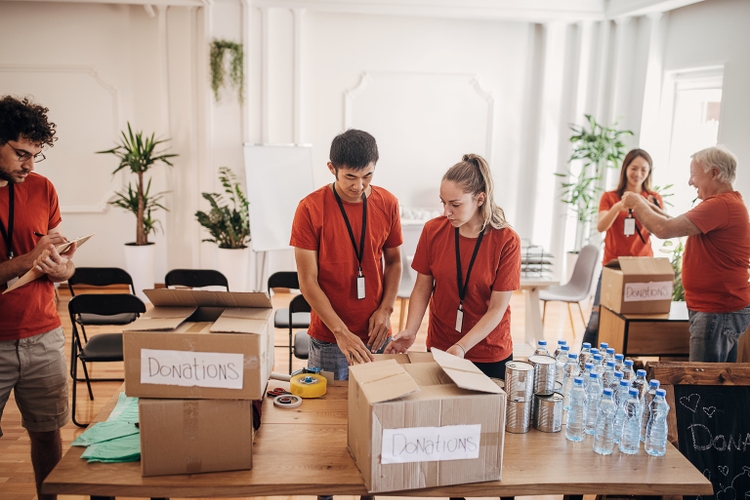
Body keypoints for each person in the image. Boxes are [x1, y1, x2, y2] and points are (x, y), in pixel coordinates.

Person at [0, 95, 77, 500]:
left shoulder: (42, 188)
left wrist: (62, 269)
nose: (29, 165)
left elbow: (62, 267)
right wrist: (27, 260)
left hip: (43, 336)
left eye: (35, 155)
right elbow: (27, 259)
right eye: (21, 154)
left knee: (47, 435)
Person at [384, 153, 521, 380]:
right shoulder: (433, 230)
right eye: (443, 202)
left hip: (489, 351)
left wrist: (462, 347)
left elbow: (497, 308)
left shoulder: (506, 240)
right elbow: (422, 287)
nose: (446, 212)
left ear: (480, 199)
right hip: (442, 346)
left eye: (455, 205)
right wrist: (410, 330)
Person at [290, 129, 403, 381]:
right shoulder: (309, 208)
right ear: (332, 168)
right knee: (328, 415)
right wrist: (341, 332)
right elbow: (307, 281)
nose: (359, 185)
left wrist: (386, 310)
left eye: (367, 175)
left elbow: (395, 261)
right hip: (330, 336)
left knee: (379, 408)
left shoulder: (388, 203)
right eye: (350, 177)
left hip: (377, 332)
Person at [621, 145, 750, 362]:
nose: (690, 182)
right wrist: (644, 202)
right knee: (713, 383)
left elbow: (664, 229)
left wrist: (636, 200)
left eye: (693, 174)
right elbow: (674, 223)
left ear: (714, 173)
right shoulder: (722, 204)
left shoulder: (720, 205)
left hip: (717, 309)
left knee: (701, 385)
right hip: (716, 309)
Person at [581, 149, 665, 347]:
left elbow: (660, 229)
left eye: (644, 169)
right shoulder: (610, 197)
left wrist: (646, 206)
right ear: (625, 168)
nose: (638, 173)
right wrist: (619, 207)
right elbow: (601, 226)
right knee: (597, 319)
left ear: (649, 171)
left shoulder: (653, 198)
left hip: (642, 268)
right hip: (613, 266)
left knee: (633, 322)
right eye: (634, 168)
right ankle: (583, 361)